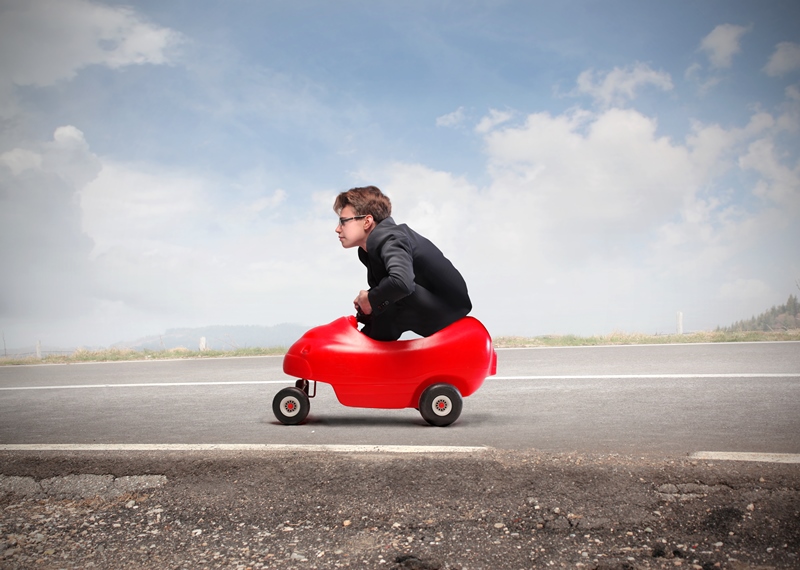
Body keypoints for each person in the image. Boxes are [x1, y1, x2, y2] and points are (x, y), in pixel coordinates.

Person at [333, 185, 472, 341]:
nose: (337, 229)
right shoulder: (367, 250)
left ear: (367, 221)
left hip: (448, 311)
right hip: (427, 303)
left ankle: (366, 346)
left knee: (392, 294)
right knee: (384, 298)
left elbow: (402, 283)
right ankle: (366, 341)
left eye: (343, 221)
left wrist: (370, 299)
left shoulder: (391, 238)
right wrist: (367, 301)